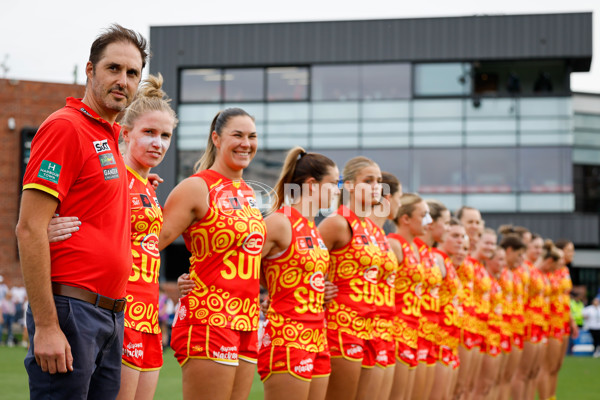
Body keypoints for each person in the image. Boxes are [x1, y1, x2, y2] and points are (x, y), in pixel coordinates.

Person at [15, 24, 147, 399]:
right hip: (72, 311)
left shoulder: (109, 136)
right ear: (89, 70)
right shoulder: (66, 127)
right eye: (113, 69)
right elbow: (29, 228)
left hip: (110, 315)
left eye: (132, 73)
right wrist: (47, 325)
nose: (123, 80)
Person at [160, 108, 265, 400]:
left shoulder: (248, 193)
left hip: (246, 320)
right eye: (238, 135)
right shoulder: (196, 187)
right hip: (209, 318)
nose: (246, 143)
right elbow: (148, 243)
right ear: (216, 138)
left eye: (252, 136)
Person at [258, 147, 339, 400]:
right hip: (287, 336)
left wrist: (319, 291)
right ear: (312, 185)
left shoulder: (312, 227)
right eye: (333, 183)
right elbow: (242, 267)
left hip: (318, 334)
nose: (338, 191)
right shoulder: (280, 222)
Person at [317, 156, 384, 400]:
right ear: (350, 186)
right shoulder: (337, 223)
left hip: (370, 325)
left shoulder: (372, 229)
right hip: (341, 326)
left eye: (379, 181)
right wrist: (317, 289)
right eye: (368, 181)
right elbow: (299, 260)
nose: (376, 185)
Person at [387, 193, 427, 400]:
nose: (428, 221)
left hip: (413, 329)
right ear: (406, 219)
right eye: (424, 215)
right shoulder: (394, 244)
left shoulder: (415, 248)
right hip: (397, 330)